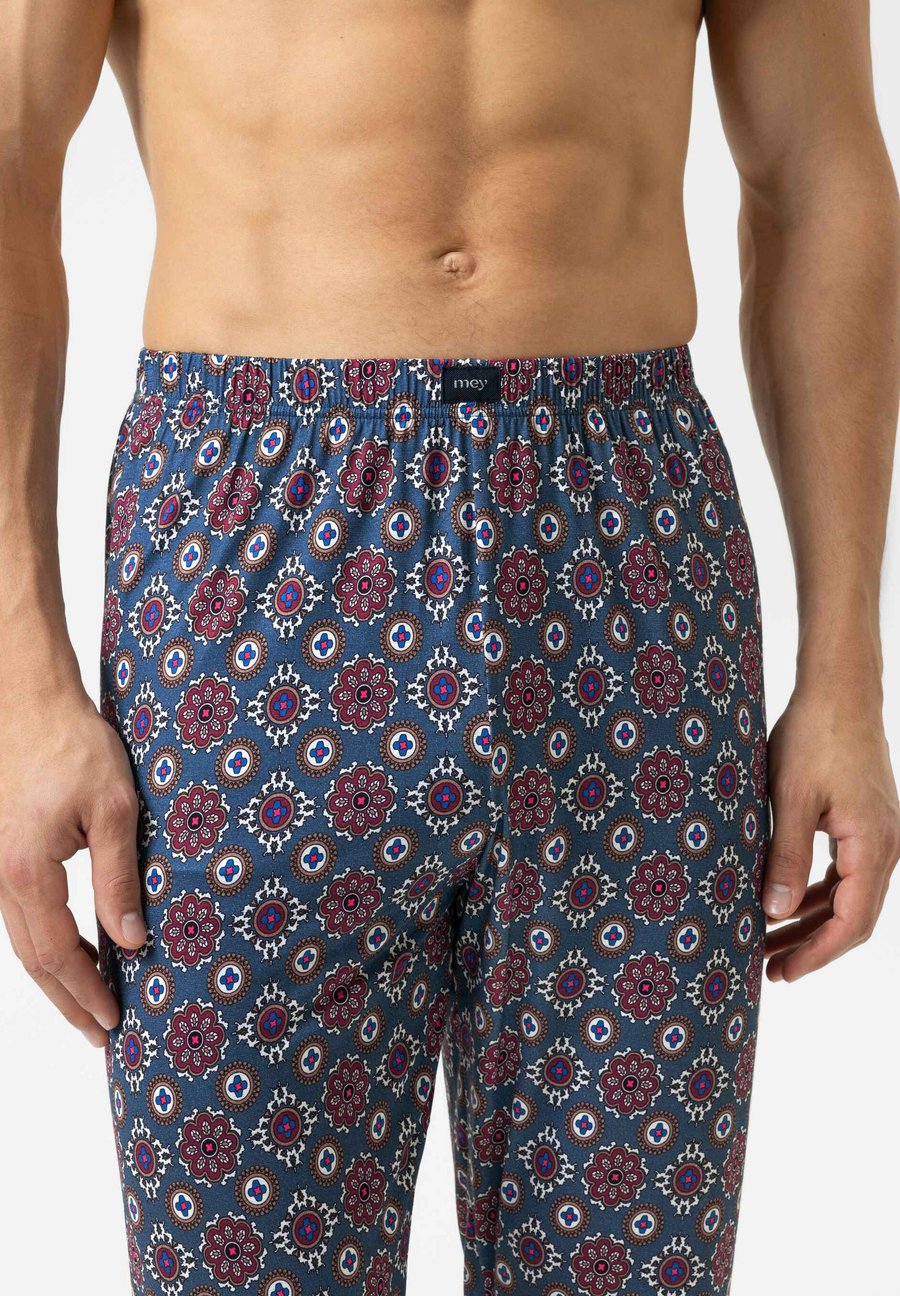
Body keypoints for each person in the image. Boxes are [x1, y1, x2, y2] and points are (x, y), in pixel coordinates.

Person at [1, 1, 898, 1293]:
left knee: (629, 1266)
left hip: (631, 550)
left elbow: (820, 178)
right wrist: (22, 686)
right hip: (256, 559)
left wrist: (849, 680)